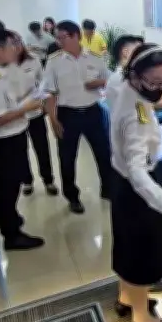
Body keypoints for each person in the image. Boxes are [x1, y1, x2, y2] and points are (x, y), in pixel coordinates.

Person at [109, 43, 162, 322]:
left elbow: (143, 143)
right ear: (135, 75)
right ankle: (142, 317)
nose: (160, 89)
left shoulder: (124, 87)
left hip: (121, 181)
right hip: (138, 192)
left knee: (127, 248)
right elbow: (137, 169)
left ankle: (126, 298)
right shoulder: (136, 113)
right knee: (141, 254)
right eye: (154, 82)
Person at [0, 27, 45, 250]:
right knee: (7, 189)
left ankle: (12, 219)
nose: (16, 48)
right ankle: (11, 235)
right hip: (5, 143)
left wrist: (26, 101)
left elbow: (10, 102)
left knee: (12, 186)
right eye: (11, 45)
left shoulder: (1, 70)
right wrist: (26, 108)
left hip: (14, 137)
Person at [43, 21, 113, 214]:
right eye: (57, 38)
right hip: (67, 115)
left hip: (93, 112)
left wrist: (100, 82)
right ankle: (72, 196)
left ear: (76, 36)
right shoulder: (54, 62)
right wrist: (53, 120)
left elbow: (110, 80)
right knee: (67, 158)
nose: (59, 42)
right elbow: (49, 93)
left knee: (103, 153)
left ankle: (108, 189)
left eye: (62, 37)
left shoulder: (95, 58)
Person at [7, 32, 57, 197]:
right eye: (10, 44)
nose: (15, 46)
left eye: (17, 42)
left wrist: (44, 105)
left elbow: (43, 84)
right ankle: (27, 181)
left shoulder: (33, 60)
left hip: (35, 113)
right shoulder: (3, 64)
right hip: (16, 115)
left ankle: (48, 180)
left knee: (42, 148)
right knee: (20, 151)